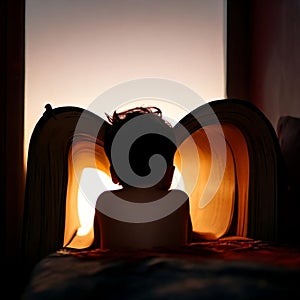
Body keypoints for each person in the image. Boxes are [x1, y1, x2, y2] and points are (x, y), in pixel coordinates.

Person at [93, 106, 192, 250]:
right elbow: (188, 242)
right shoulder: (179, 200)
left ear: (113, 174)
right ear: (168, 173)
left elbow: (97, 247)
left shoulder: (105, 202)